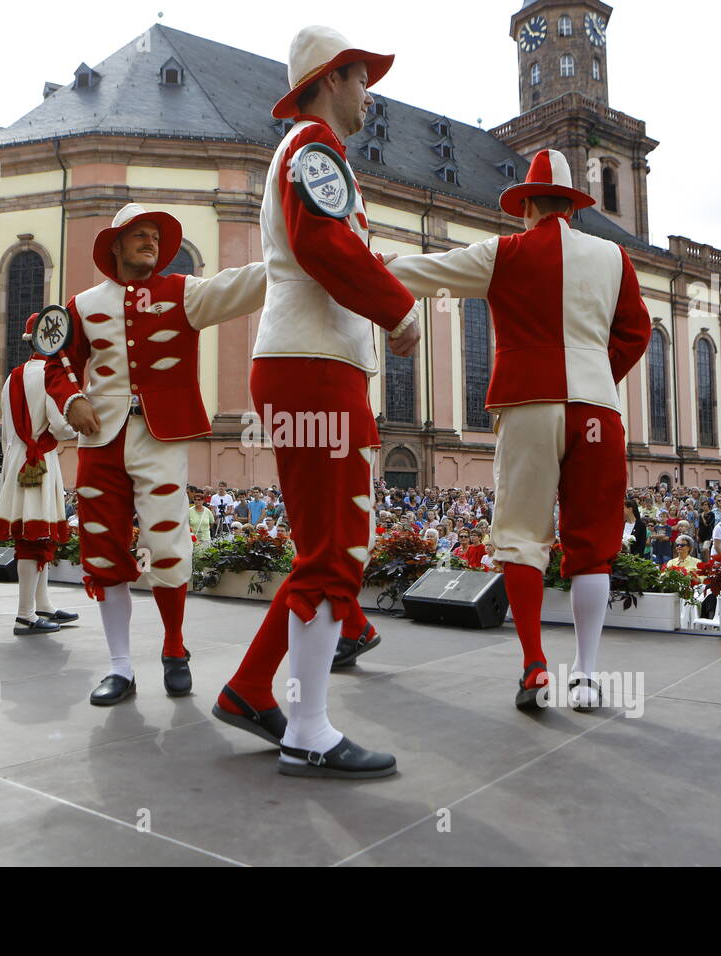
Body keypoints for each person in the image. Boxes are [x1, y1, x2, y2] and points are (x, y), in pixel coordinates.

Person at [211, 26, 419, 778]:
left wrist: (378, 276)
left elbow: (329, 244)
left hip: (307, 364)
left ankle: (249, 691)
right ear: (332, 79)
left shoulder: (305, 153)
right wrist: (396, 307)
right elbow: (324, 248)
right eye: (362, 78)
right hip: (317, 366)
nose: (370, 93)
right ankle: (307, 728)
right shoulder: (314, 150)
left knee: (323, 550)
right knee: (335, 551)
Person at [389, 146, 650, 712]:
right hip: (597, 409)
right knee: (592, 548)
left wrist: (370, 265)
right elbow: (637, 331)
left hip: (528, 403)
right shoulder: (613, 257)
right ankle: (584, 674)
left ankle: (534, 666)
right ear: (574, 207)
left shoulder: (502, 252)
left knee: (521, 538)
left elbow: (423, 272)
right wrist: (598, 373)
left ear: (526, 204)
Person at [48, 202, 265, 707]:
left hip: (161, 437)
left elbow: (242, 283)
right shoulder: (81, 304)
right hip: (100, 440)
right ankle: (120, 667)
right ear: (116, 245)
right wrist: (71, 398)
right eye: (139, 234)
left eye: (155, 235)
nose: (151, 241)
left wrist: (301, 251)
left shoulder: (184, 291)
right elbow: (53, 361)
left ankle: (174, 647)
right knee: (103, 551)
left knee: (167, 543)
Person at [0, 313, 78, 635]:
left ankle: (42, 604)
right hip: (41, 460)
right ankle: (26, 613)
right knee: (35, 538)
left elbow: (4, 429)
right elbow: (61, 425)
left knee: (36, 535)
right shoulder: (51, 376)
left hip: (17, 458)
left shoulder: (12, 377)